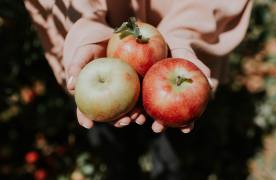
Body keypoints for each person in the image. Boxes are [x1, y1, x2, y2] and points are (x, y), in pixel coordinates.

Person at [24, 0, 252, 179]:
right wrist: (85, 26)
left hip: (181, 57)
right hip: (100, 64)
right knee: (112, 146)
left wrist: (184, 35)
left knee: (173, 152)